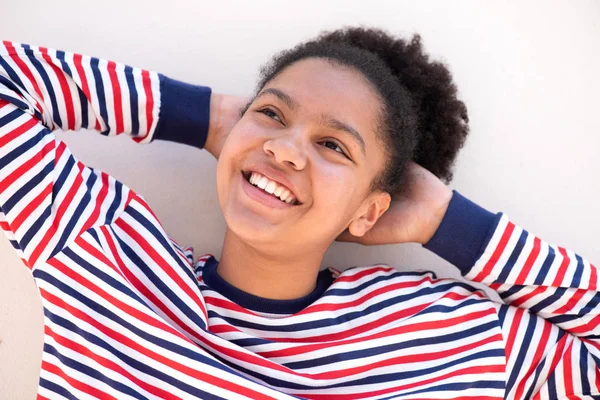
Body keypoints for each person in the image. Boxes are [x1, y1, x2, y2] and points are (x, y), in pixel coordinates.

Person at [0, 27, 598, 399]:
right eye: (272, 115)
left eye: (333, 146)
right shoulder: (106, 258)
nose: (285, 149)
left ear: (371, 210)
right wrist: (207, 117)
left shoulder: (445, 336)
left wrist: (448, 222)